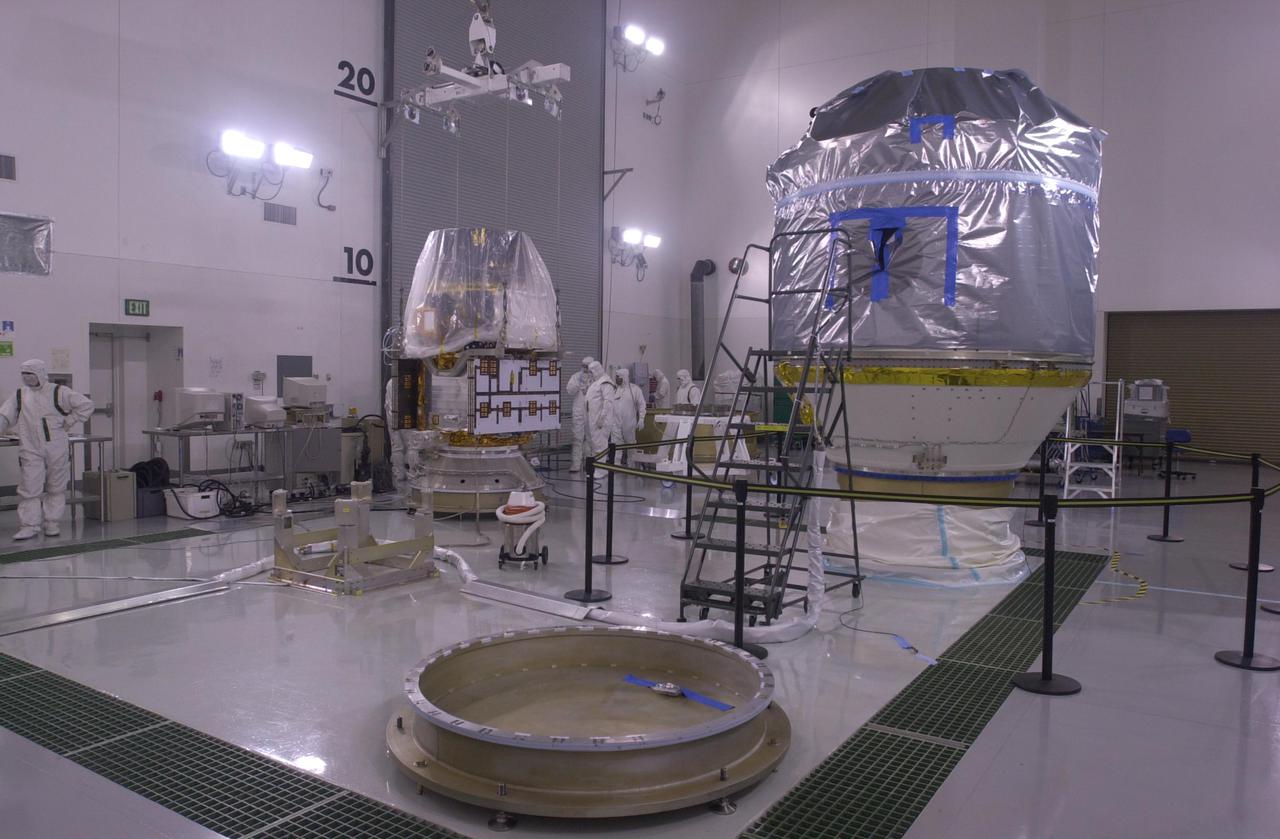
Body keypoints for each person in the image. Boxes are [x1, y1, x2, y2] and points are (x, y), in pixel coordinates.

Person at [0, 359, 94, 540]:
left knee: (56, 487)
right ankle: (29, 525)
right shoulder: (20, 395)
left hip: (56, 447)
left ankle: (52, 523)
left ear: (40, 374)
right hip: (30, 448)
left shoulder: (58, 392)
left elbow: (86, 405)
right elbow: (5, 415)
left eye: (30, 374)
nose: (27, 378)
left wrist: (70, 420)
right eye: (24, 374)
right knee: (29, 487)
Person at [584, 361, 617, 462]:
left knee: (600, 446)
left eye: (591, 372)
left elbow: (608, 402)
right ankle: (595, 468)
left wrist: (602, 418)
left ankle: (601, 470)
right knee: (594, 445)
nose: (589, 374)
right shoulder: (595, 383)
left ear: (597, 370)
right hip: (592, 419)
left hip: (600, 422)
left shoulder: (606, 383)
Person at [612, 369, 647, 460]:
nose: (617, 379)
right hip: (615, 423)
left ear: (624, 377)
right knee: (616, 446)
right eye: (616, 377)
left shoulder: (635, 389)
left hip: (629, 423)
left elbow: (641, 404)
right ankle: (616, 468)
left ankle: (631, 468)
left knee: (631, 446)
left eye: (618, 377)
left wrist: (642, 418)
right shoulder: (614, 390)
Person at [567, 356, 594, 473]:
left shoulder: (597, 379)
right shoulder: (576, 377)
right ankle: (576, 464)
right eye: (583, 366)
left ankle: (588, 462)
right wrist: (578, 384)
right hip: (578, 410)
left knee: (590, 438)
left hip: (592, 412)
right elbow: (569, 390)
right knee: (577, 437)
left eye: (587, 367)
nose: (585, 369)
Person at [384, 377, 407, 492]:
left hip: (395, 420)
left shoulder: (391, 382)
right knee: (409, 447)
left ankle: (400, 473)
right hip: (403, 420)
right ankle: (408, 473)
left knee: (398, 448)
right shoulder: (399, 382)